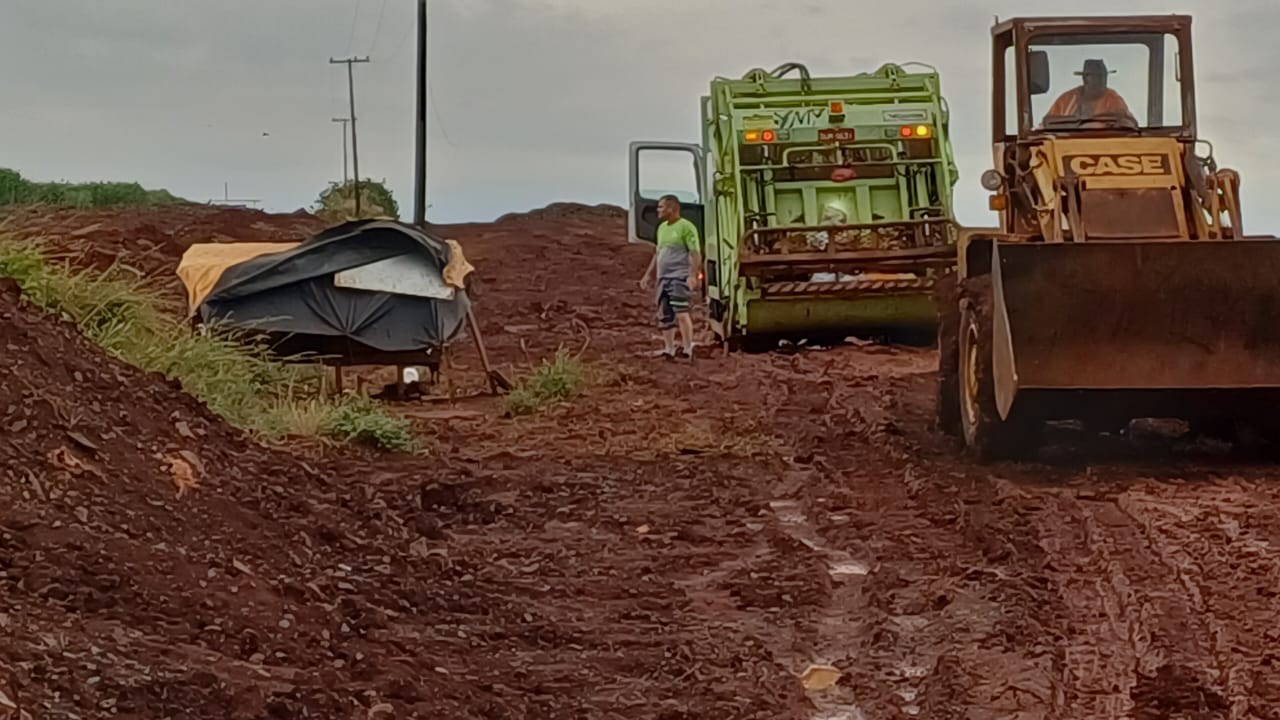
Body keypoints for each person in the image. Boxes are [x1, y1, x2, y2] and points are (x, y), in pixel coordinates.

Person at [639, 194, 701, 360]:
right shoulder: (662, 228)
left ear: (671, 208)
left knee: (681, 312)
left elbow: (694, 253)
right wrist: (648, 274)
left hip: (678, 277)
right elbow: (658, 253)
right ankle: (669, 349)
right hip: (663, 278)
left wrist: (692, 275)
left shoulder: (686, 227)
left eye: (661, 207)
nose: (658, 210)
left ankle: (688, 348)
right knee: (665, 314)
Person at [1043, 59, 1136, 125]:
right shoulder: (1066, 100)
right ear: (1085, 79)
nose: (1103, 81)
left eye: (1104, 76)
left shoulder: (1113, 99)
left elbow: (1126, 123)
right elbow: (1047, 123)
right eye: (1098, 77)